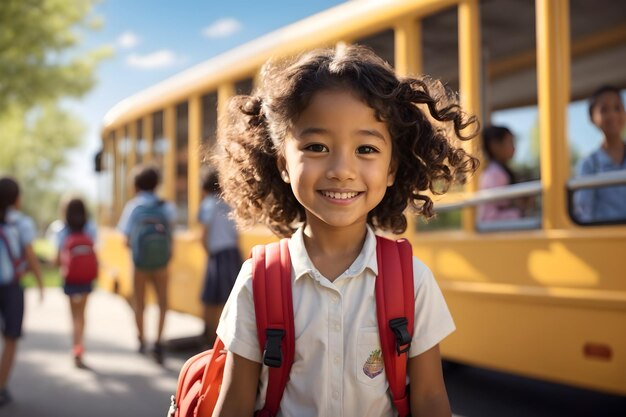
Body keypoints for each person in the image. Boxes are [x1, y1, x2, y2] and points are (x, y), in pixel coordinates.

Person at [210, 45, 479, 417]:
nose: (342, 169)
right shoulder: (259, 279)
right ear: (283, 164)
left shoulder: (411, 280)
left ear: (391, 169)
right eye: (317, 146)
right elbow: (235, 401)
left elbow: (431, 398)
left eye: (366, 148)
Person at [117, 164, 176, 364]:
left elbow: (124, 238)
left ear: (136, 185)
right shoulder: (166, 207)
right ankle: (158, 342)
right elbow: (171, 234)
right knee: (162, 303)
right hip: (162, 262)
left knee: (139, 303)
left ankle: (142, 340)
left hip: (139, 262)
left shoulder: (134, 207)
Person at [0, 177, 44, 406]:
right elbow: (30, 256)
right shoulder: (21, 223)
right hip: (12, 288)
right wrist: (40, 284)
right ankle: (1, 386)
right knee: (11, 338)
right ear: (16, 199)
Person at [197, 169, 242, 345]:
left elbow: (204, 234)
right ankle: (226, 337)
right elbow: (236, 233)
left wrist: (208, 251)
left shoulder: (207, 204)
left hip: (217, 254)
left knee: (210, 298)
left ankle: (209, 336)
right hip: (233, 253)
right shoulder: (229, 203)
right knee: (230, 298)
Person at [55, 197, 97, 369]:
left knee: (73, 315)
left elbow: (57, 257)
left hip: (70, 277)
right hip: (86, 276)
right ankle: (81, 346)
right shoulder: (90, 228)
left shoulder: (60, 229)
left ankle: (76, 347)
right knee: (82, 314)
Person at [574, 85, 626, 222]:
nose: (612, 115)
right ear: (592, 118)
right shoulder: (589, 164)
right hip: (605, 238)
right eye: (604, 110)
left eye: (617, 108)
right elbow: (584, 211)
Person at [477, 125, 524, 222]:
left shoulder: (498, 171)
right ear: (494, 145)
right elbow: (491, 216)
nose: (514, 148)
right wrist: (519, 212)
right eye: (510, 142)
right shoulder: (494, 174)